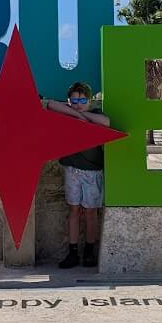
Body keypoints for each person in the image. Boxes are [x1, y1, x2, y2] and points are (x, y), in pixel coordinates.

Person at [43, 82, 111, 268]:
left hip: (93, 172)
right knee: (73, 211)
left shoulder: (96, 114)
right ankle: (72, 252)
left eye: (82, 101)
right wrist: (76, 114)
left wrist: (83, 116)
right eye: (74, 101)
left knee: (90, 213)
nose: (78, 104)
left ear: (90, 100)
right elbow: (50, 104)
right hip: (72, 170)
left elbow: (106, 122)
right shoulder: (67, 112)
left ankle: (89, 251)